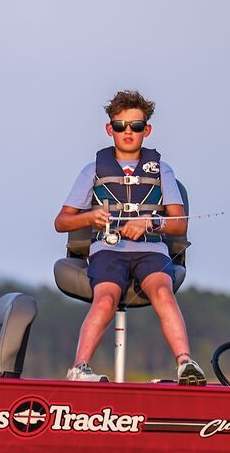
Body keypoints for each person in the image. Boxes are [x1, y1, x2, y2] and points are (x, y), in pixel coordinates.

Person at [53, 89, 203, 384]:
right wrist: (89, 217)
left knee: (162, 290)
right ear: (110, 129)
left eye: (135, 126)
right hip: (108, 251)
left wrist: (151, 223)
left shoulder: (162, 170)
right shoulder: (92, 170)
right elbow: (61, 222)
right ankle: (79, 368)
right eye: (121, 126)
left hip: (151, 251)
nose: (128, 132)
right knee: (106, 298)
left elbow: (179, 223)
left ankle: (186, 363)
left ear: (146, 130)